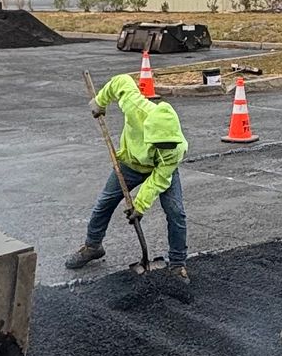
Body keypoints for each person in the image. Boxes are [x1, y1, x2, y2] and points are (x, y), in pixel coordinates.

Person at [65, 71, 189, 290]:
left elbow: (159, 179)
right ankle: (93, 246)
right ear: (150, 133)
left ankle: (177, 263)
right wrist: (100, 102)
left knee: (175, 211)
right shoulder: (136, 107)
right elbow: (120, 81)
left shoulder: (176, 148)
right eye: (160, 144)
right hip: (130, 163)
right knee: (105, 202)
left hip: (161, 170)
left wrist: (139, 206)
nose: (165, 148)